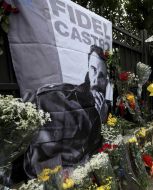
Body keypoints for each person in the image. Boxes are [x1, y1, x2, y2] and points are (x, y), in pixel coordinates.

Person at [23, 45, 109, 178]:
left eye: (102, 76)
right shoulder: (58, 97)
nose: (96, 80)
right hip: (49, 177)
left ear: (107, 82)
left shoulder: (105, 109)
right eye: (93, 70)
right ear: (87, 72)